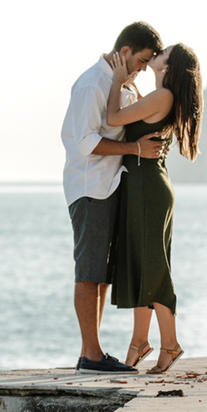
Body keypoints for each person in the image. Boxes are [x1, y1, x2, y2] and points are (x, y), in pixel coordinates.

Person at [61, 22, 166, 373]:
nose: (141, 68)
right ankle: (90, 355)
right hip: (90, 186)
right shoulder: (93, 84)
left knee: (102, 273)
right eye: (141, 60)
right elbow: (87, 143)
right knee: (88, 271)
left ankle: (94, 352)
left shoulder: (122, 84)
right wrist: (136, 148)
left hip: (110, 184)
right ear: (124, 52)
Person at [105, 43, 203, 373]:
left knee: (154, 269)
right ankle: (138, 342)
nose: (156, 55)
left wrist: (118, 81)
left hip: (148, 188)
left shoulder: (162, 97)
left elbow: (113, 118)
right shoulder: (160, 96)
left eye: (162, 53)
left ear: (169, 65)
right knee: (143, 265)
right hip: (147, 186)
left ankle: (171, 344)